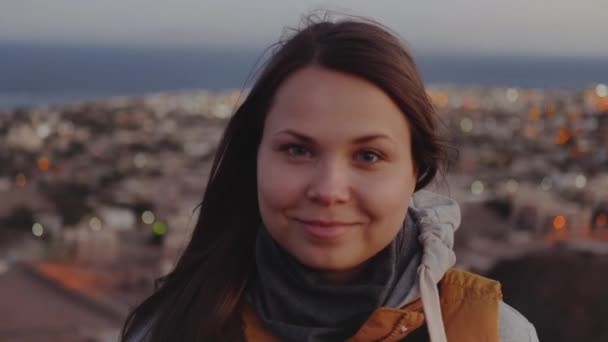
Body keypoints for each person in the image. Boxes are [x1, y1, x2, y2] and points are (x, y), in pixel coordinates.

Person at [121, 16, 539, 342]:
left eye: (369, 155)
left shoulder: (489, 331)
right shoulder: (172, 327)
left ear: (416, 172)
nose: (328, 190)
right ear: (255, 158)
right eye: (297, 150)